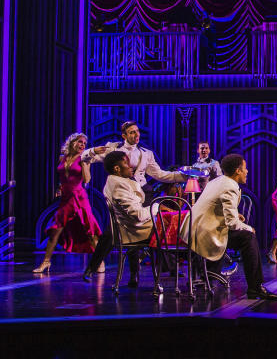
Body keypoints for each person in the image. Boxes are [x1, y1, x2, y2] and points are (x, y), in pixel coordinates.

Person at [187, 154, 277, 300]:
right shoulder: (230, 186)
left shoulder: (217, 181)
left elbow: (215, 208)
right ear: (237, 171)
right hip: (206, 234)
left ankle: (212, 274)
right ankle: (255, 288)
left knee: (244, 234)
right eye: (245, 168)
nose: (247, 171)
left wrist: (236, 215)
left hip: (196, 231)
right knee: (248, 237)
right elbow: (232, 224)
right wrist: (248, 227)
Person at [83, 151, 157, 285]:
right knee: (169, 227)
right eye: (127, 163)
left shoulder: (123, 178)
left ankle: (135, 273)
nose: (131, 166)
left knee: (112, 233)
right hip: (131, 226)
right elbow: (137, 216)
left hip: (130, 217)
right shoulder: (118, 183)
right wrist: (157, 207)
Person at [33, 133, 103, 273]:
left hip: (79, 198)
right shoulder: (62, 158)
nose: (82, 145)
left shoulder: (84, 158)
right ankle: (46, 262)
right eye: (80, 142)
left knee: (89, 230)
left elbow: (87, 180)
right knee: (55, 230)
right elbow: (63, 177)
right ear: (72, 143)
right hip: (66, 198)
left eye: (84, 143)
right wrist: (60, 187)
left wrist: (84, 164)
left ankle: (99, 261)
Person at [81, 121, 186, 201]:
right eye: (132, 132)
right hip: (122, 191)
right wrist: (92, 151)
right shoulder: (113, 149)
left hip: (143, 192)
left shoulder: (147, 153)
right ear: (124, 136)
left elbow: (160, 175)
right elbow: (86, 157)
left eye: (137, 131)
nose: (137, 135)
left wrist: (184, 176)